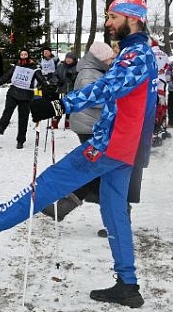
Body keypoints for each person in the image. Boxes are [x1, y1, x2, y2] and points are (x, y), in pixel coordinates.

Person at [0, 0, 156, 309]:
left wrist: (59, 104)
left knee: (53, 181)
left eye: (113, 17)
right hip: (123, 144)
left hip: (111, 143)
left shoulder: (137, 55)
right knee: (113, 209)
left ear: (132, 19)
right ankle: (128, 284)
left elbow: (109, 87)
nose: (108, 24)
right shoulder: (136, 53)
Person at [41, 43, 116, 226]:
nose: (111, 61)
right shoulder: (89, 74)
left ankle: (65, 206)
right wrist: (117, 97)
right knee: (95, 171)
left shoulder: (96, 71)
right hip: (90, 127)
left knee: (95, 171)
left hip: (94, 126)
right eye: (109, 58)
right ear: (99, 59)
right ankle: (115, 216)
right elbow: (92, 98)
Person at [0, 48, 47, 149]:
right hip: (13, 92)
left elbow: (41, 79)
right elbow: (6, 77)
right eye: (22, 54)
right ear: (19, 56)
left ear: (28, 55)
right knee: (7, 111)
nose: (24, 56)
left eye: (25, 54)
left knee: (23, 119)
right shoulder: (16, 66)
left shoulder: (34, 68)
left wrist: (47, 86)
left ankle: (20, 140)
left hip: (26, 96)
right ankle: (1, 127)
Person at [54, 51, 79, 128]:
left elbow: (79, 79)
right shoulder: (61, 66)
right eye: (67, 58)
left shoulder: (77, 67)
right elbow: (55, 75)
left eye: (70, 58)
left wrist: (72, 77)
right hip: (62, 89)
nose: (68, 60)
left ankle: (68, 122)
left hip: (72, 90)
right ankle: (55, 122)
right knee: (59, 105)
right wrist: (57, 81)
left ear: (74, 59)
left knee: (69, 106)